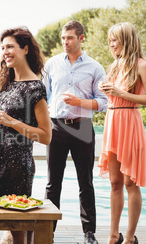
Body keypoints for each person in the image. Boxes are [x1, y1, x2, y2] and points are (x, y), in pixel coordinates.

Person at [0, 27, 52, 244]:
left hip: (17, 167)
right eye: (3, 47)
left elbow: (45, 136)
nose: (5, 51)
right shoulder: (5, 84)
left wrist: (10, 121)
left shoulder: (36, 88)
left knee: (17, 228)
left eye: (10, 47)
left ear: (25, 49)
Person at [43, 20, 108, 244]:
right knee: (53, 183)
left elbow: (103, 102)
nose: (65, 42)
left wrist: (81, 102)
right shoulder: (51, 65)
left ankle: (89, 234)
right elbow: (44, 95)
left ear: (81, 39)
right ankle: (47, 232)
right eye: (63, 38)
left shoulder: (95, 67)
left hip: (83, 127)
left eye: (69, 38)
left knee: (86, 183)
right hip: (56, 127)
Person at [98, 22, 146, 244]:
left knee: (131, 183)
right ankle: (113, 236)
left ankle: (130, 237)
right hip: (112, 123)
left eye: (115, 40)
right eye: (110, 40)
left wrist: (120, 92)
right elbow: (112, 97)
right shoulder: (113, 66)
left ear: (128, 40)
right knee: (114, 183)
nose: (112, 44)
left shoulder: (142, 65)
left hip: (130, 122)